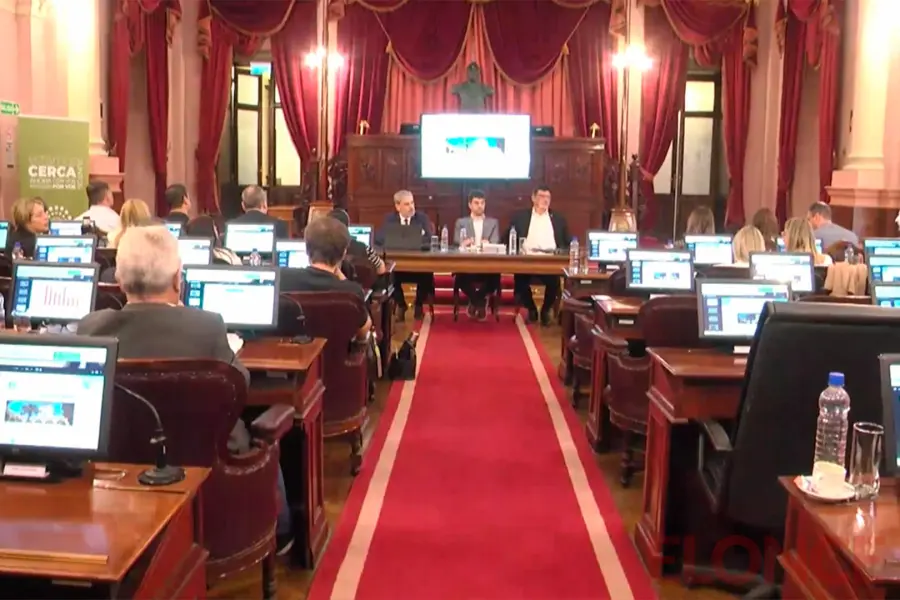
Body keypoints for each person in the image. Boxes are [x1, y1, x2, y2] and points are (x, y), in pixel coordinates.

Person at [76, 226, 294, 554]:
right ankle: (284, 533)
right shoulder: (206, 325)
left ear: (119, 280)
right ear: (178, 278)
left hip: (120, 477)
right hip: (207, 469)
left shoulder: (91, 327)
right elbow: (240, 387)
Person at [280, 216, 372, 340]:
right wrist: (344, 279)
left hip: (290, 351)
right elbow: (363, 331)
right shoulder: (351, 292)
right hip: (336, 352)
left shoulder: (281, 279)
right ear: (344, 253)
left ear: (306, 249)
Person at [506, 186, 569, 326]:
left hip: (550, 260)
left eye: (548, 197)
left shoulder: (558, 219)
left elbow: (567, 242)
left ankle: (546, 309)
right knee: (520, 279)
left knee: (554, 282)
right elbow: (507, 237)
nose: (545, 200)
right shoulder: (520, 217)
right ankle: (531, 308)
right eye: (541, 196)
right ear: (533, 198)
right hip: (526, 259)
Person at [374, 190, 435, 320]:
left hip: (418, 263)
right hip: (398, 264)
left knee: (427, 273)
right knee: (390, 274)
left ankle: (418, 304)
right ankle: (401, 305)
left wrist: (417, 241)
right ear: (398, 206)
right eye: (407, 204)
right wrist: (392, 240)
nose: (411, 207)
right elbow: (379, 238)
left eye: (412, 203)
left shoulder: (422, 218)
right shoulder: (389, 219)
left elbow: (430, 238)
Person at [453, 190, 501, 319]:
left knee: (495, 277)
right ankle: (480, 302)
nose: (480, 206)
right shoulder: (461, 222)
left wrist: (488, 244)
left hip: (488, 264)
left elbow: (495, 241)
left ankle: (476, 301)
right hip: (467, 263)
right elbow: (457, 241)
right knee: (460, 277)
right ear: (470, 205)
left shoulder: (493, 223)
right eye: (476, 203)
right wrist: (464, 243)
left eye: (482, 203)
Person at [327, 208, 386, 278]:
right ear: (347, 226)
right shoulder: (365, 248)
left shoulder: (322, 250)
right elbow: (381, 269)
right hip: (362, 284)